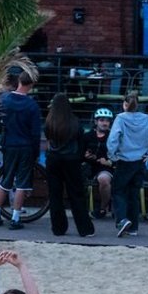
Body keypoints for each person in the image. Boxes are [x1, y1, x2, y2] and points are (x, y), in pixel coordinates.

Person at [107, 92, 148, 238]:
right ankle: (134, 227)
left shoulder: (120, 118)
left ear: (125, 104)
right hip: (140, 161)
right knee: (133, 194)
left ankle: (122, 219)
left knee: (118, 191)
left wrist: (112, 155)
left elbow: (113, 138)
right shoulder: (146, 118)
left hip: (124, 160)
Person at [0, 70, 42, 231]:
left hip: (9, 143)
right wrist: (36, 151)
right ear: (31, 84)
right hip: (26, 145)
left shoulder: (4, 99)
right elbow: (35, 133)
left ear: (19, 81)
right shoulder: (32, 105)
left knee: (6, 178)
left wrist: (2, 134)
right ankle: (15, 217)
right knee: (22, 182)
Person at [43, 93, 94, 238]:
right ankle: (84, 228)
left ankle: (58, 228)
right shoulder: (75, 122)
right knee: (76, 194)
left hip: (53, 159)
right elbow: (81, 140)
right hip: (71, 160)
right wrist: (79, 156)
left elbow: (47, 138)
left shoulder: (49, 122)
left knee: (55, 195)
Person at [82, 107, 115, 218]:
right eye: (101, 120)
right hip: (88, 166)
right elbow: (79, 153)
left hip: (105, 167)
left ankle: (102, 208)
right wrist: (85, 155)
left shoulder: (113, 137)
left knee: (104, 179)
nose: (105, 123)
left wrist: (109, 162)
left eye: (107, 120)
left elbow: (118, 155)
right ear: (96, 121)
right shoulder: (87, 136)